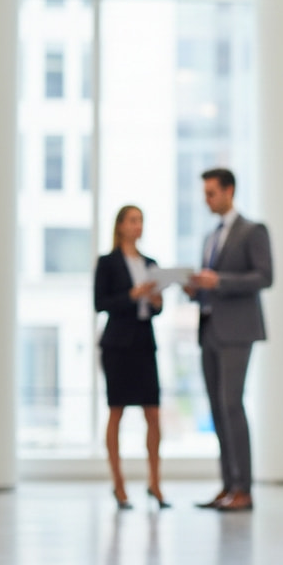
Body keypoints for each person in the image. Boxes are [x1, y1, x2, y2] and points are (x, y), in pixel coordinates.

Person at [186, 168, 273, 513]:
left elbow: (264, 277)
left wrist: (218, 281)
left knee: (232, 405)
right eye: (204, 193)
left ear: (229, 191)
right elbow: (208, 284)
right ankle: (228, 485)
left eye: (211, 193)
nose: (206, 200)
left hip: (237, 330)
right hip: (209, 328)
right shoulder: (210, 237)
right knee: (218, 410)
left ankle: (244, 490)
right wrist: (195, 289)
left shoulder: (252, 230)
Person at [94, 205, 168, 510]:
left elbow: (157, 309)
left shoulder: (151, 264)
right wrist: (132, 295)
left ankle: (155, 483)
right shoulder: (107, 263)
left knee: (153, 414)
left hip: (144, 343)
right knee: (117, 411)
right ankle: (119, 485)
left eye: (141, 221)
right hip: (117, 345)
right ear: (121, 225)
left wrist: (155, 300)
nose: (138, 226)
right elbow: (100, 302)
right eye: (133, 220)